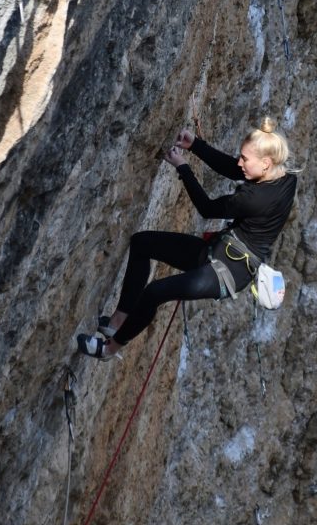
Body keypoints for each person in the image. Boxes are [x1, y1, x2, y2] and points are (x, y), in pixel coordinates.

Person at [76, 117, 296, 360]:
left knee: (155, 292)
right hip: (219, 251)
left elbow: (207, 208)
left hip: (228, 272)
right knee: (142, 243)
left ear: (265, 163)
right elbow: (234, 168)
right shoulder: (285, 178)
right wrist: (195, 145)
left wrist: (182, 167)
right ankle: (118, 321)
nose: (240, 162)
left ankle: (109, 348)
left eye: (245, 158)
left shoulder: (254, 198)